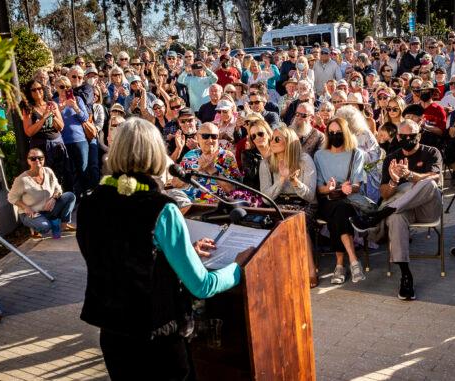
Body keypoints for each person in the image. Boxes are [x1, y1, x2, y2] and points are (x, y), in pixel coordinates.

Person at [76, 117, 253, 380]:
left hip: (113, 334)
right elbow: (201, 285)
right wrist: (238, 267)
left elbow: (119, 256)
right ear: (156, 154)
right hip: (157, 335)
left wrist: (183, 250)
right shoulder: (161, 209)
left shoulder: (90, 203)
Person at [351, 120, 443, 300]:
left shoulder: (431, 152)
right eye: (403, 136)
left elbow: (437, 178)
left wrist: (408, 175)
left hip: (427, 209)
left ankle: (380, 215)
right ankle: (405, 275)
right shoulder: (391, 157)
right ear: (397, 136)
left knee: (429, 183)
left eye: (412, 136)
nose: (408, 139)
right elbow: (385, 194)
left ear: (419, 135)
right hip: (403, 209)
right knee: (395, 218)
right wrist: (393, 180)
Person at [259, 127, 319, 287]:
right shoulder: (265, 163)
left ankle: (310, 269)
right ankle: (276, 271)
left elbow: (310, 195)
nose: (272, 142)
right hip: (278, 204)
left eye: (277, 139)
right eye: (272, 138)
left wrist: (295, 181)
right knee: (266, 221)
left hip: (303, 204)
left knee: (298, 221)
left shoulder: (304, 160)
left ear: (289, 141)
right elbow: (265, 199)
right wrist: (281, 180)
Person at [314, 117, 366, 284]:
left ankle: (340, 265)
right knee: (338, 209)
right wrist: (329, 188)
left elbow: (357, 183)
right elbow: (319, 187)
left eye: (339, 132)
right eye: (332, 133)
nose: (335, 135)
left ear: (346, 133)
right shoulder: (320, 155)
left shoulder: (356, 153)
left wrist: (349, 188)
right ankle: (353, 260)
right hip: (327, 199)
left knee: (341, 210)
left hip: (348, 199)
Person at [8, 148, 76, 237]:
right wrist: (25, 207)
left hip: (49, 209)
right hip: (31, 213)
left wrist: (54, 199)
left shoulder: (48, 171)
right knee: (45, 227)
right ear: (28, 161)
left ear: (44, 159)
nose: (37, 160)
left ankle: (64, 225)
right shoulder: (21, 179)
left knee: (70, 196)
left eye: (40, 158)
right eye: (33, 158)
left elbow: (58, 189)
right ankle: (36, 227)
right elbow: (11, 197)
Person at [175, 122, 242, 203]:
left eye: (214, 136)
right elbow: (176, 184)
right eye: (205, 136)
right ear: (197, 137)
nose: (210, 140)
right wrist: (197, 171)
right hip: (189, 204)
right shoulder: (190, 155)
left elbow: (233, 190)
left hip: (215, 206)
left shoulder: (226, 156)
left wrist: (211, 170)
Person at [21, 79, 67, 184]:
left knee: (61, 174)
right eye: (33, 90)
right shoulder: (28, 108)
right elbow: (28, 132)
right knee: (44, 177)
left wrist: (53, 115)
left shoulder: (52, 104)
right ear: (29, 92)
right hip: (40, 147)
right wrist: (43, 118)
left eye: (39, 88)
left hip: (56, 143)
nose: (37, 91)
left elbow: (61, 127)